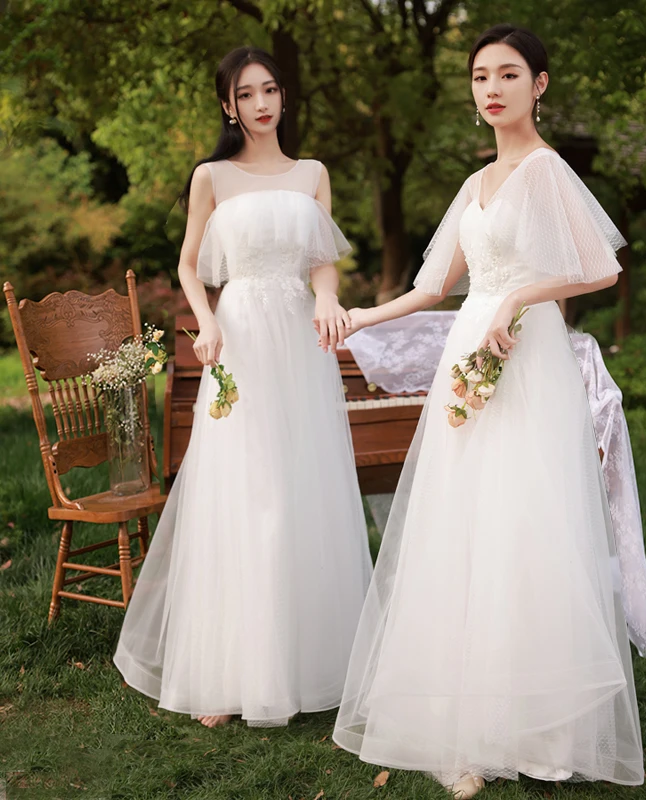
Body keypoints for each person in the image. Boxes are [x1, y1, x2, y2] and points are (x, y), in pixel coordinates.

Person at [332, 24, 644, 796]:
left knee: (524, 522)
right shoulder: (474, 187)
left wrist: (520, 297)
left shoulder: (546, 170)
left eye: (509, 74)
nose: (492, 87)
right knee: (462, 521)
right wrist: (358, 319)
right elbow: (434, 286)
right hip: (469, 354)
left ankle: (536, 719)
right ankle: (461, 719)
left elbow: (600, 268)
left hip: (525, 355)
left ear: (539, 85)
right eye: (480, 76)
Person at [114, 46, 372, 729]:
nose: (261, 103)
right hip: (239, 338)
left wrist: (325, 298)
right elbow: (190, 265)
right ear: (228, 105)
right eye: (246, 94)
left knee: (299, 488)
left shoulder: (312, 174)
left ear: (282, 98)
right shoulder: (212, 177)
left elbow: (322, 263)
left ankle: (311, 661)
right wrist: (205, 325)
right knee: (244, 489)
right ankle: (230, 673)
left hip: (299, 339)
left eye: (270, 90)